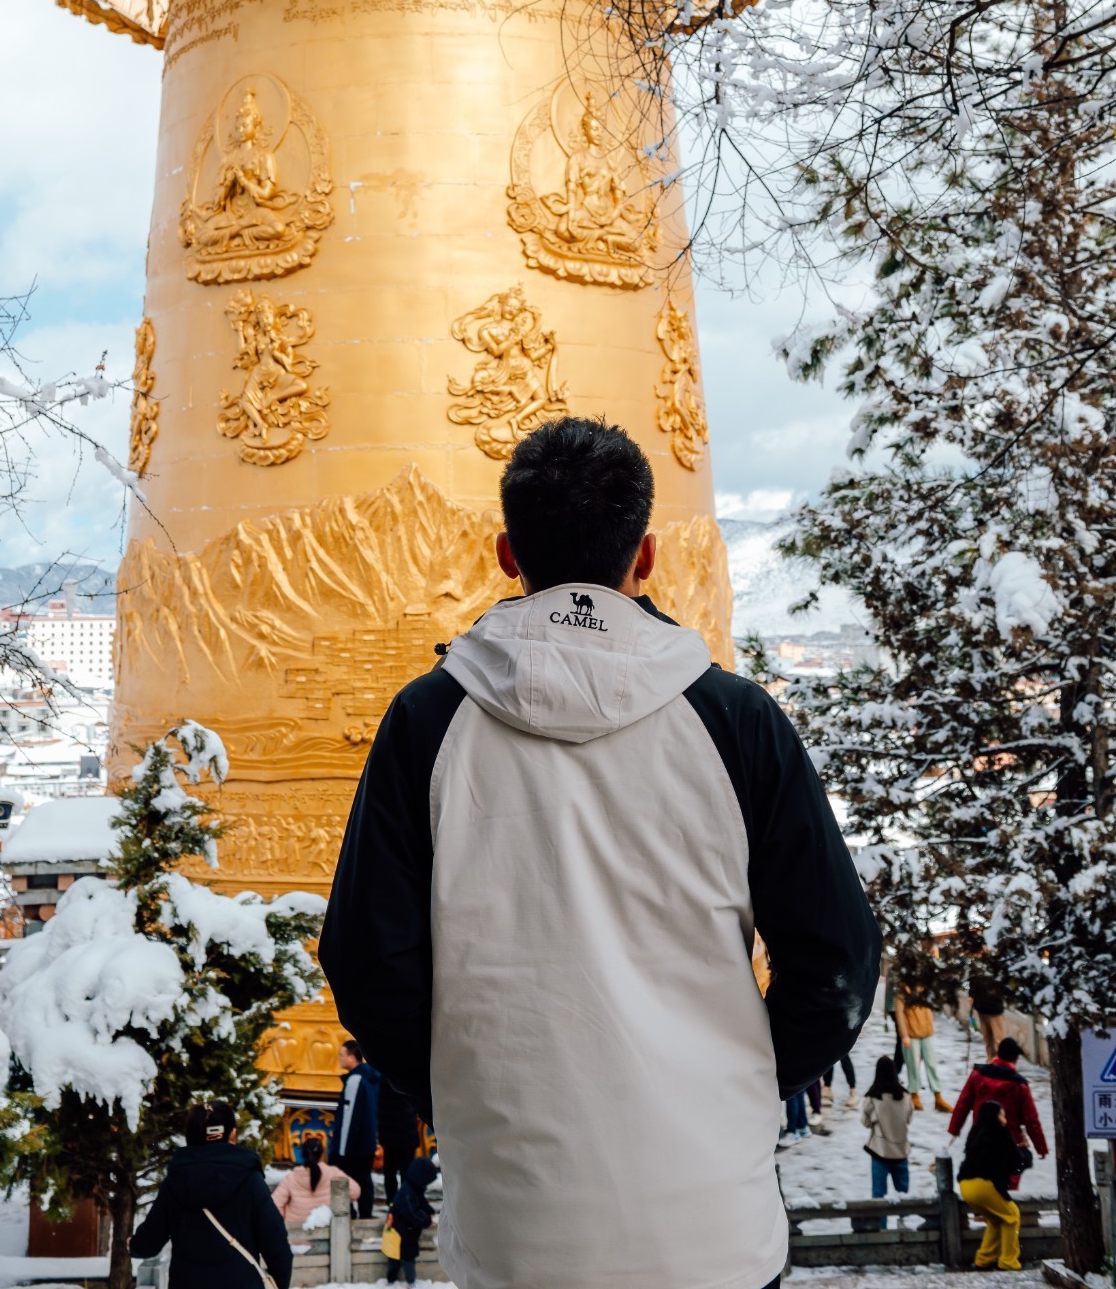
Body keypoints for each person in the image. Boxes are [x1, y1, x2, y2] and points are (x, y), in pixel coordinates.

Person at [320, 415, 883, 1289]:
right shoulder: (735, 721)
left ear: (507, 553)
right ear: (645, 554)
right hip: (713, 1228)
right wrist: (732, 1088)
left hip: (515, 1226)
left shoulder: (427, 723)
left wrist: (467, 1094)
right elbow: (836, 960)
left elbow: (366, 962)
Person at [130, 1100, 293, 1289]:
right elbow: (276, 1245)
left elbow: (149, 1241)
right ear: (232, 1134)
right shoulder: (250, 1180)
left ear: (190, 1135)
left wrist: (134, 1245)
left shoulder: (175, 1182)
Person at [949, 1036, 1048, 1183]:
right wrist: (1041, 1147)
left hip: (979, 1138)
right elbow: (1031, 1119)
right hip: (1010, 1142)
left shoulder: (977, 1075)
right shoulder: (1019, 1085)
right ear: (1016, 1059)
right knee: (1005, 1184)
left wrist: (954, 1129)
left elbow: (962, 1104)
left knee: (981, 1180)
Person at [958, 1099, 1024, 1271]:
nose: (1005, 1119)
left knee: (996, 1220)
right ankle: (1008, 1262)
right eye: (1002, 1115)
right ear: (995, 1116)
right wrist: (1023, 1150)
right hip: (984, 1185)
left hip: (966, 1185)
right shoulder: (1000, 1132)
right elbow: (1016, 1164)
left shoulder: (975, 1132)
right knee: (1012, 1216)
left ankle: (983, 1259)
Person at [861, 1055, 912, 1230]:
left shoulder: (872, 1098)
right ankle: (903, 1223)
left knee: (879, 1196)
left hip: (880, 1152)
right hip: (901, 1152)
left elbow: (865, 1122)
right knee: (903, 1194)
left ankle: (881, 1228)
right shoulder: (905, 1097)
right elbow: (909, 1118)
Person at [270, 1135, 364, 1226]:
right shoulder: (333, 1173)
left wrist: (285, 1219)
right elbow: (356, 1191)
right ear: (322, 1154)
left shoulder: (291, 1178)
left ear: (303, 1155)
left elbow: (274, 1206)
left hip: (296, 1237)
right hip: (329, 1235)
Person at [333, 1038, 380, 1219]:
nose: (340, 1059)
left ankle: (350, 1216)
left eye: (342, 1055)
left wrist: (342, 1152)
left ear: (352, 1057)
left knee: (350, 1181)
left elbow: (349, 1117)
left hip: (353, 1146)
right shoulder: (369, 1078)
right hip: (367, 1142)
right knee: (364, 1180)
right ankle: (366, 1214)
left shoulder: (354, 1081)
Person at [893, 983, 952, 1113]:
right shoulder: (902, 993)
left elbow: (932, 1007)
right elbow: (900, 1015)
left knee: (932, 1064)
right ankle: (914, 1094)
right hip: (911, 1034)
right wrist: (904, 1035)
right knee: (912, 1065)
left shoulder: (926, 990)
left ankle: (938, 1096)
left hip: (927, 1033)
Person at [383, 1154, 437, 1285]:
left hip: (407, 1233)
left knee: (400, 1258)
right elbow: (412, 1212)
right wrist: (427, 1221)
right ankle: (401, 1281)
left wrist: (430, 1211)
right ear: (421, 1178)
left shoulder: (414, 1188)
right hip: (400, 1235)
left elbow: (421, 1203)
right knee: (401, 1260)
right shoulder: (407, 1194)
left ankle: (398, 1280)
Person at [378, 1077, 421, 1205]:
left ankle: (392, 1201)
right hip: (406, 1134)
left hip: (390, 1135)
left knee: (390, 1172)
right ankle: (405, 1201)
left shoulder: (384, 1080)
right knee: (406, 1172)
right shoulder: (407, 1080)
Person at [968, 973, 1008, 1062]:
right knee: (987, 1039)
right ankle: (990, 1060)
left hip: (994, 1011)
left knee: (999, 1039)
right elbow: (973, 987)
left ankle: (1004, 1062)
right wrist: (972, 998)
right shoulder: (976, 971)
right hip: (982, 1010)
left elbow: (1000, 988)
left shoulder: (993, 971)